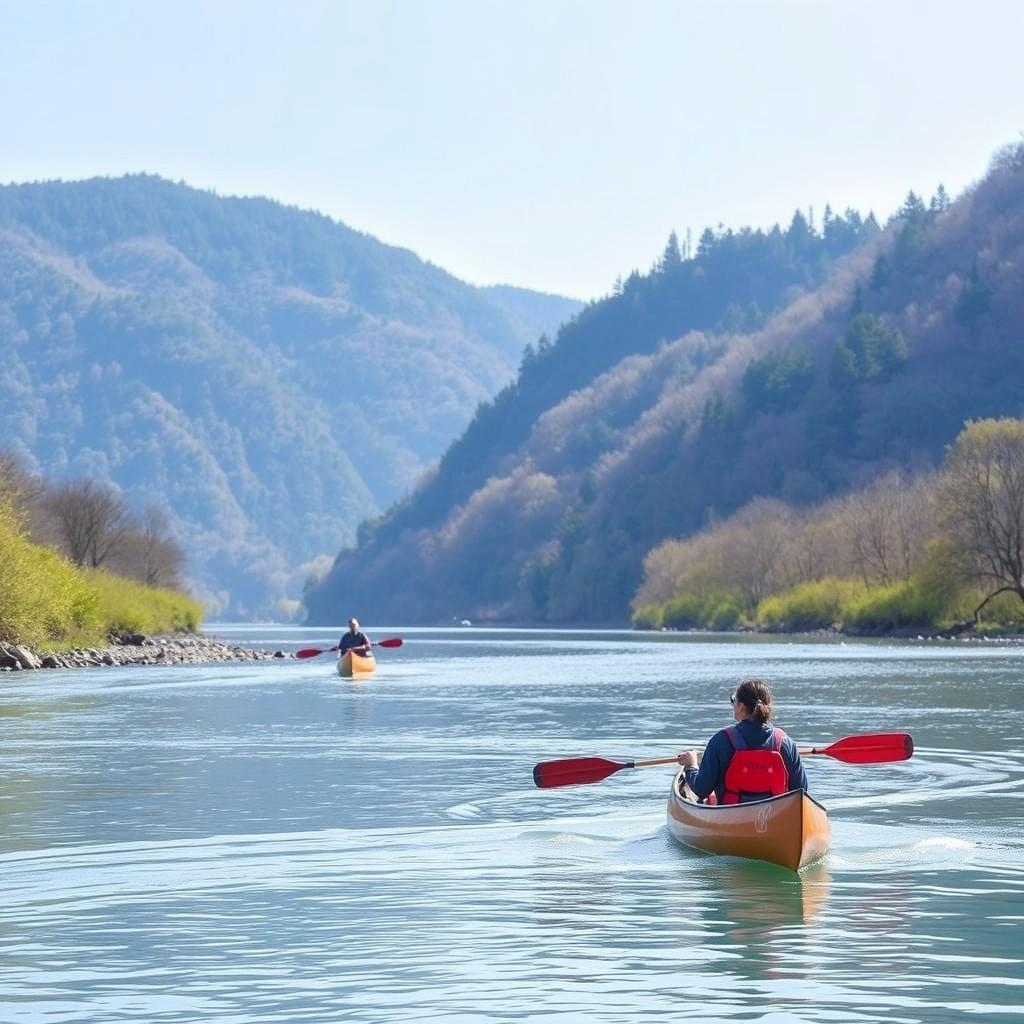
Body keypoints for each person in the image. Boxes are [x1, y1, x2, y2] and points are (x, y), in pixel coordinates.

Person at [677, 678, 809, 804]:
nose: (733, 705)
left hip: (732, 818)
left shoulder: (720, 741)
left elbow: (701, 790)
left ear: (740, 706)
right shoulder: (786, 743)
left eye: (734, 701)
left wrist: (691, 765)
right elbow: (801, 791)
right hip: (776, 817)